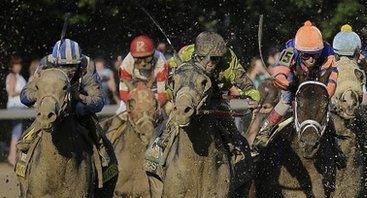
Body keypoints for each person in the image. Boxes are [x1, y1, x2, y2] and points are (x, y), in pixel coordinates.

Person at [161, 31, 260, 162]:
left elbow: (249, 87)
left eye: (214, 58)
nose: (209, 63)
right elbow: (169, 80)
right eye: (204, 58)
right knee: (170, 111)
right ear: (196, 54)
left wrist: (250, 100)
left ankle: (236, 150)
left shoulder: (229, 61)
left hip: (216, 99)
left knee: (230, 120)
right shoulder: (185, 54)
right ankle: (161, 143)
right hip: (188, 97)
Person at [18, 39, 113, 168]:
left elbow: (99, 102)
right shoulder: (46, 64)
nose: (69, 71)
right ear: (55, 63)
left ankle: (100, 146)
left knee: (81, 110)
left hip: (78, 108)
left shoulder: (87, 65)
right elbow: (24, 96)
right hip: (53, 107)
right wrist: (41, 95)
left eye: (73, 66)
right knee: (44, 112)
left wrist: (79, 96)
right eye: (64, 66)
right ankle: (27, 149)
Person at [252, 21, 338, 151]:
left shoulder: (328, 52)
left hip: (317, 78)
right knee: (286, 98)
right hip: (294, 76)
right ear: (298, 51)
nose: (311, 59)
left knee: (323, 103)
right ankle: (265, 131)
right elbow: (280, 71)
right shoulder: (290, 49)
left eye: (315, 55)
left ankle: (336, 144)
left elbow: (332, 77)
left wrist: (326, 94)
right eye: (306, 55)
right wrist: (287, 83)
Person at [332, 24, 367, 179]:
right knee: (363, 133)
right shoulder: (362, 64)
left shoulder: (329, 61)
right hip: (344, 113)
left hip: (329, 111)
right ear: (357, 52)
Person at [118, 35, 169, 111]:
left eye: (147, 58)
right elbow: (124, 93)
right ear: (132, 56)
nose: (143, 63)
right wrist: (137, 103)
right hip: (134, 94)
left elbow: (162, 94)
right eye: (138, 59)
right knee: (118, 119)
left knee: (169, 109)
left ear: (153, 54)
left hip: (155, 92)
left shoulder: (161, 61)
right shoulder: (126, 64)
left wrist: (151, 105)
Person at [5, 56, 27, 166]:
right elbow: (12, 93)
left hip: (20, 107)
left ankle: (14, 156)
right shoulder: (12, 76)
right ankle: (12, 156)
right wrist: (24, 92)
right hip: (15, 106)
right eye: (16, 64)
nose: (18, 66)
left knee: (18, 131)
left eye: (19, 64)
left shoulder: (19, 76)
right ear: (12, 66)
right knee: (17, 131)